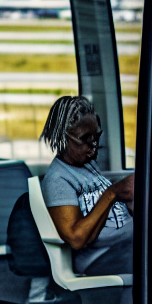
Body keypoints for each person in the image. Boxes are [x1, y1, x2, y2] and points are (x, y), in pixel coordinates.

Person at [38, 95, 134, 278]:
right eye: (85, 139)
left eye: (96, 137)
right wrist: (112, 193)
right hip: (98, 258)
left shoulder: (86, 163)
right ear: (63, 136)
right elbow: (76, 238)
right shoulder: (58, 179)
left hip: (122, 244)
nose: (94, 146)